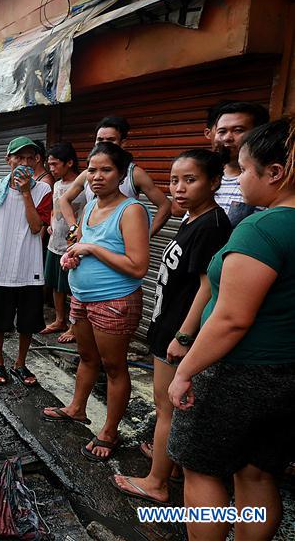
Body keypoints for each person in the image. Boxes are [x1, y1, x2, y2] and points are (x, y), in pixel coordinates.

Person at [167, 119, 295, 541]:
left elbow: (231, 318)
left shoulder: (262, 229)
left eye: (244, 171)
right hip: (286, 375)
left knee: (202, 472)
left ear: (274, 173)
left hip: (238, 373)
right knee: (258, 474)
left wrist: (186, 372)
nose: (237, 181)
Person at [112, 149, 231, 504]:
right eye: (175, 180)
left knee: (165, 406)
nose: (178, 188)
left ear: (214, 182)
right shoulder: (193, 219)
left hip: (179, 333)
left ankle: (156, 482)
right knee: (169, 407)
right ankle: (171, 462)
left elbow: (208, 286)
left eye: (190, 180)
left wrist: (183, 335)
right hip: (168, 326)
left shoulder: (211, 226)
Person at [43, 142, 151, 461]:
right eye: (92, 170)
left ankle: (110, 431)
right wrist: (73, 258)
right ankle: (76, 408)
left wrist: (91, 251)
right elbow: (85, 244)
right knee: (87, 357)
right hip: (83, 298)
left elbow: (137, 266)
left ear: (121, 174)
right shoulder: (89, 206)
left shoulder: (130, 210)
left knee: (114, 367)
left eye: (106, 170)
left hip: (115, 302)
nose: (97, 176)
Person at [0, 136, 52, 387]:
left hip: (29, 267)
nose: (24, 162)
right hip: (1, 266)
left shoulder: (43, 190)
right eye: (18, 157)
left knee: (27, 322)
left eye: (29, 158)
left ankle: (20, 363)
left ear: (36, 161)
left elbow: (36, 227)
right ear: (8, 160)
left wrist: (25, 192)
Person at [59, 116, 171, 241]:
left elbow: (165, 205)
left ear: (123, 143)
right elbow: (64, 199)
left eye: (111, 140)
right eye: (100, 140)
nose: (104, 144)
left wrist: (143, 237)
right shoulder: (87, 175)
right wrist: (74, 228)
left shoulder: (134, 174)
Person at [41, 143, 84, 340]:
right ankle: (60, 319)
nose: (51, 169)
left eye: (55, 164)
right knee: (57, 285)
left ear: (69, 163)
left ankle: (75, 326)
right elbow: (54, 208)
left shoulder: (84, 186)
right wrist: (50, 224)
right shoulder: (57, 184)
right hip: (54, 243)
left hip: (73, 245)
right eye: (49, 164)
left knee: (74, 287)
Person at [212, 101, 270, 226]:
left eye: (238, 130)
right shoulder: (206, 175)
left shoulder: (268, 183)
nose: (227, 138)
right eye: (222, 131)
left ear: (259, 134)